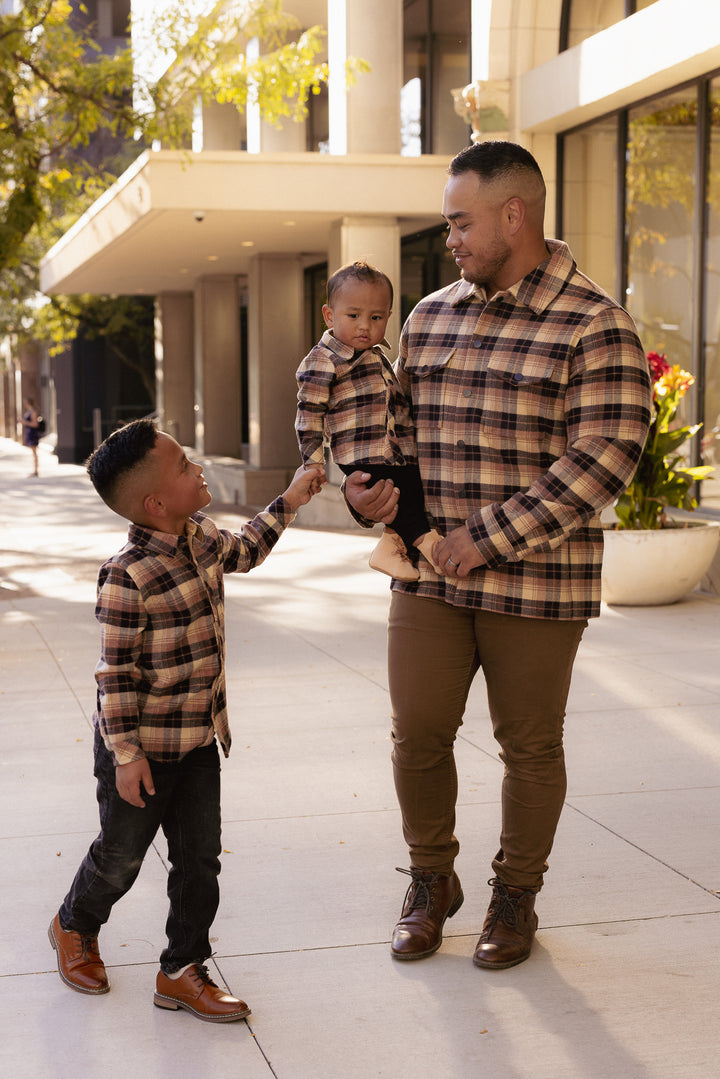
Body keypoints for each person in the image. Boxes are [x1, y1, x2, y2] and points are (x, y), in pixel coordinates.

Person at [344, 141, 652, 970]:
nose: (449, 237)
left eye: (460, 220)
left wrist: (484, 540)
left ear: (514, 214)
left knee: (530, 746)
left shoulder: (595, 324)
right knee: (416, 735)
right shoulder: (430, 316)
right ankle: (430, 878)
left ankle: (515, 894)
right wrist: (370, 491)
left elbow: (601, 462)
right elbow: (396, 439)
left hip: (539, 584)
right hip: (430, 581)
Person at [48, 418, 325, 1021]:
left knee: (199, 859)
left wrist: (291, 501)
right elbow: (114, 676)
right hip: (139, 749)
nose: (197, 468)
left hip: (197, 737)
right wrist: (125, 756)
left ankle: (181, 968)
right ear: (155, 503)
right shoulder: (128, 575)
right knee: (121, 855)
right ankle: (75, 923)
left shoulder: (199, 534)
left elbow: (244, 549)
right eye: (183, 465)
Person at [295, 259, 442, 581]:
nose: (365, 326)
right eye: (353, 316)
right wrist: (313, 462)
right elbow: (309, 413)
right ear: (329, 315)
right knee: (399, 495)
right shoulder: (323, 361)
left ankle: (390, 546)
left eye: (375, 317)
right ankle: (427, 543)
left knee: (408, 491)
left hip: (393, 448)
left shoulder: (375, 356)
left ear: (389, 317)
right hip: (361, 452)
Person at [22, 397, 41, 477]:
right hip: (29, 433)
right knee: (33, 453)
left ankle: (36, 471)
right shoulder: (29, 411)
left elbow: (35, 424)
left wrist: (25, 422)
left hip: (33, 434)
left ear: (28, 403)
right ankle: (35, 470)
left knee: (34, 453)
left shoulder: (33, 412)